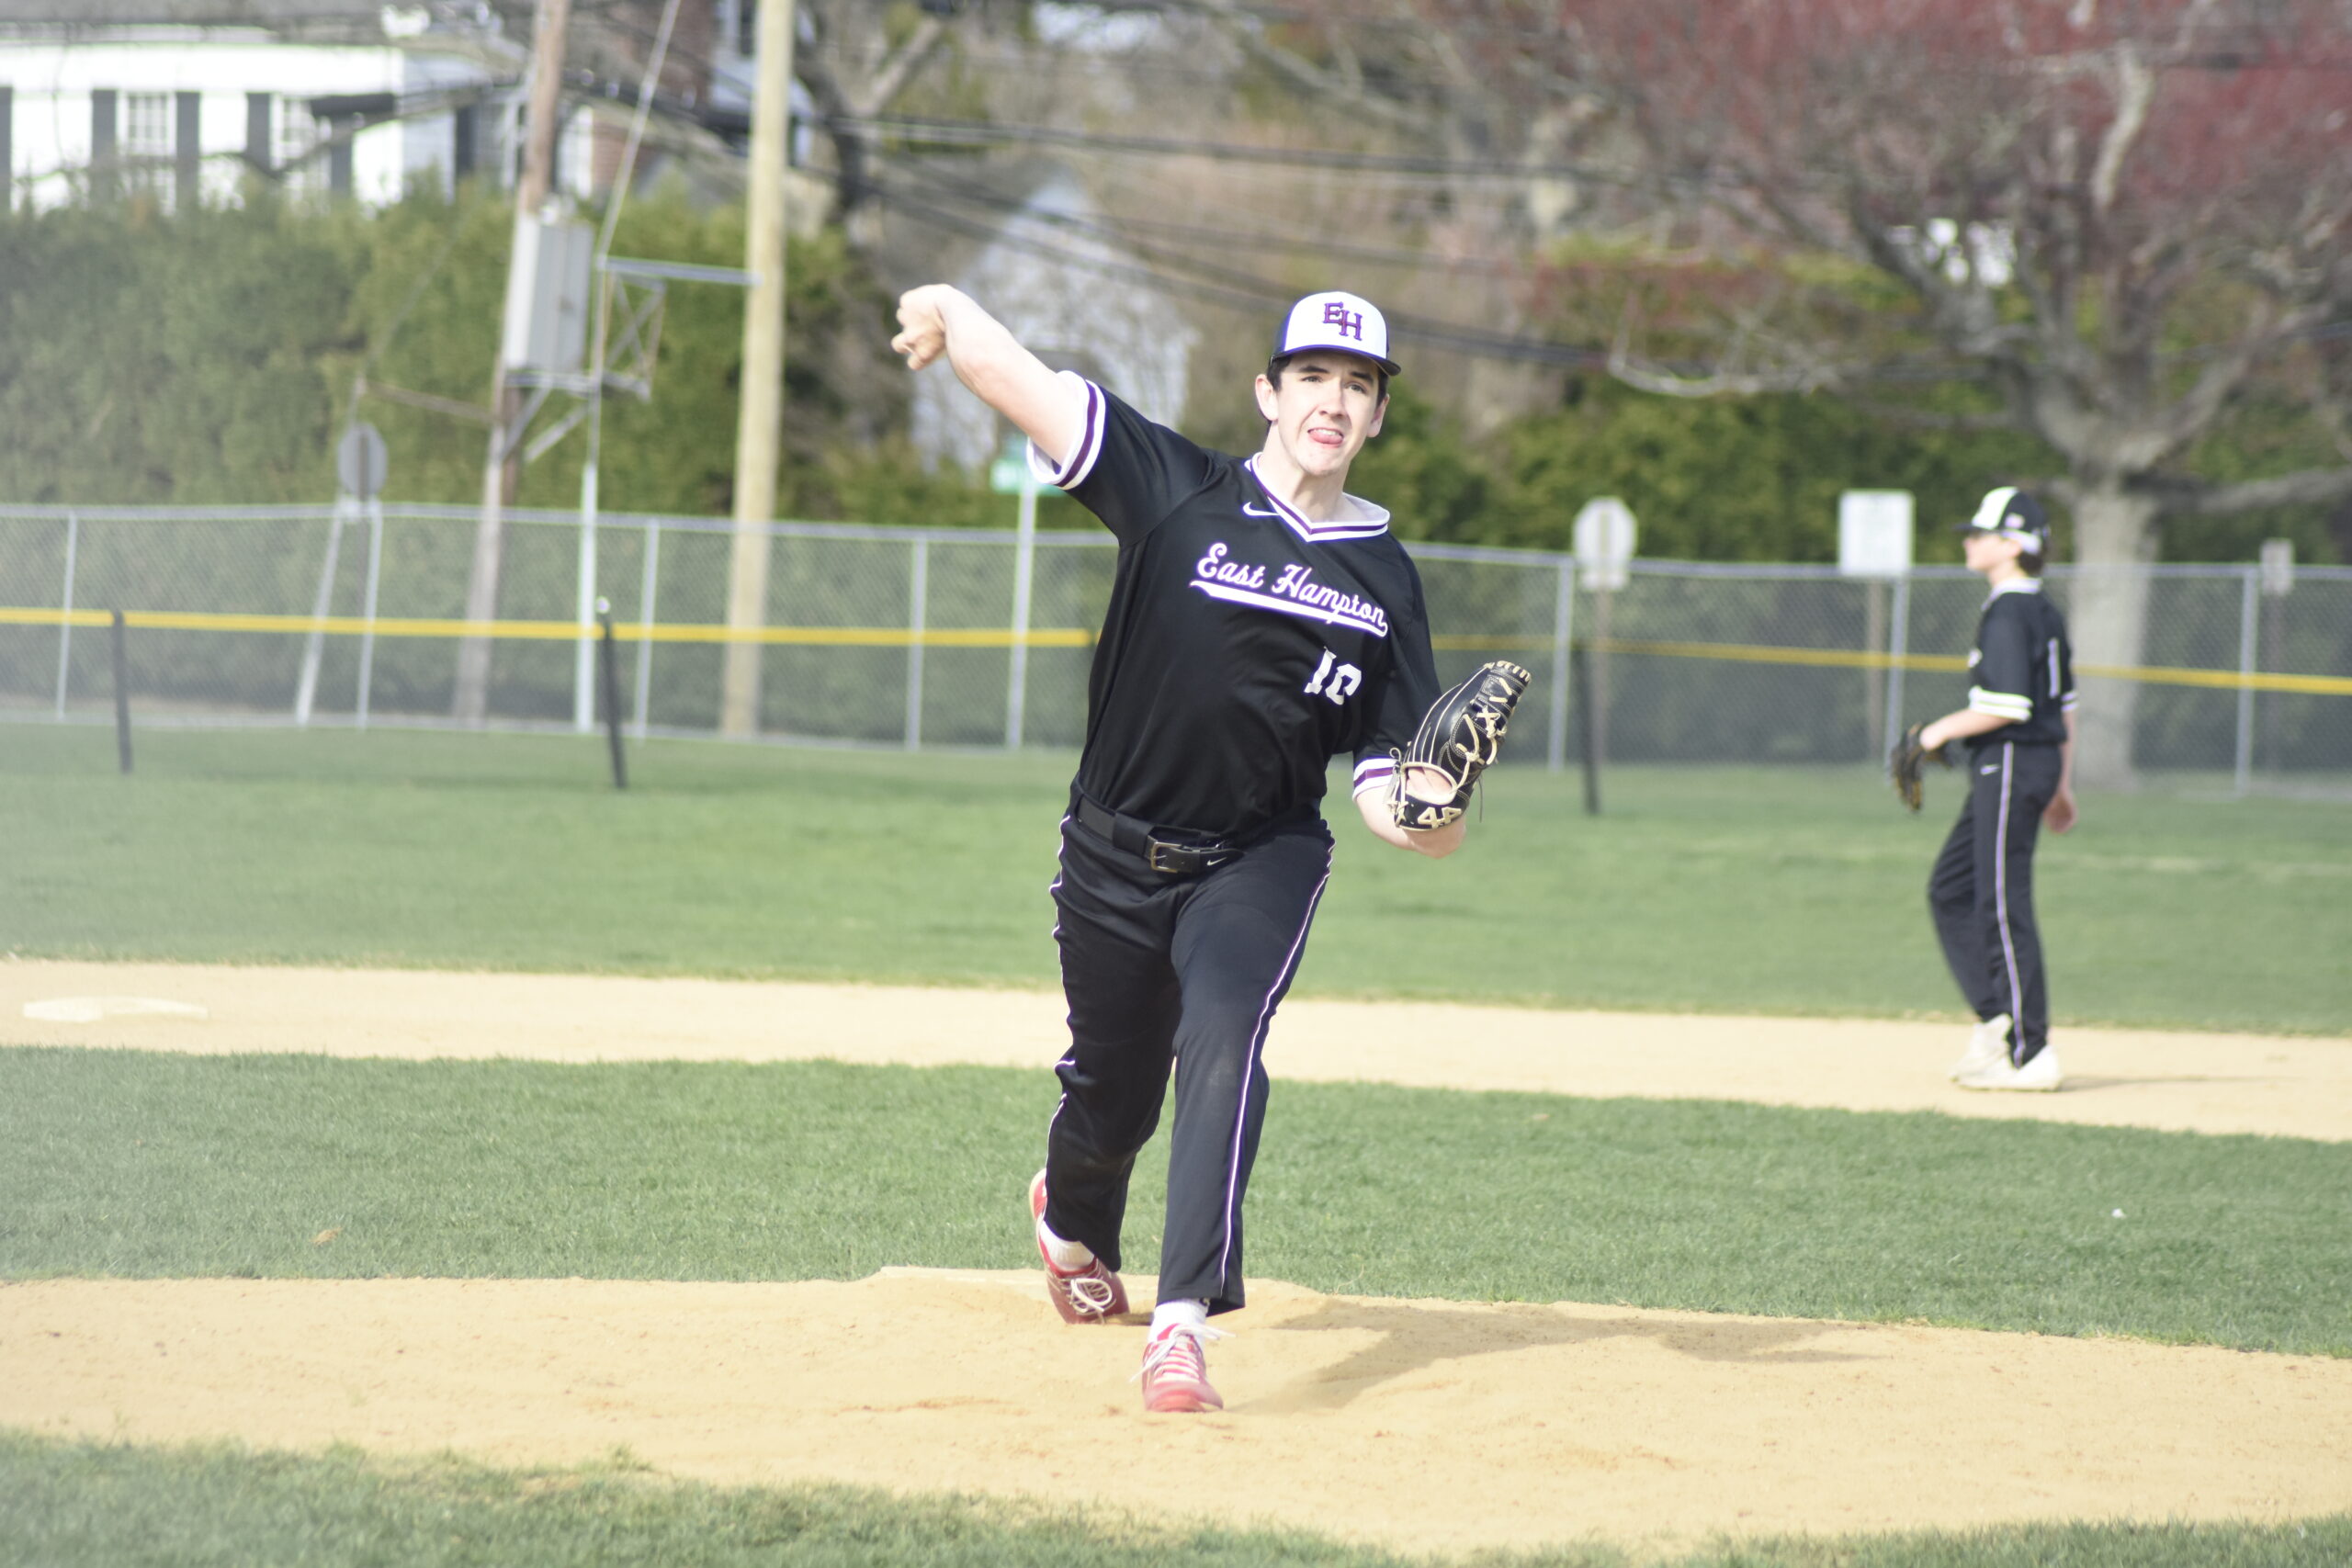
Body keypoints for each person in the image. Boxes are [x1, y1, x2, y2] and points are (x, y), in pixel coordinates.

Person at [891, 285, 1487, 1413]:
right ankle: (1069, 1225)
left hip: (1258, 858)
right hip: (1114, 851)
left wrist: (1435, 804)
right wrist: (946, 305)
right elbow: (1023, 383)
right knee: (1112, 1099)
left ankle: (1178, 1327)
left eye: (1359, 386)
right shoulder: (1177, 490)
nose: (1335, 399)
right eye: (1312, 376)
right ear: (1268, 393)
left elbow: (1390, 803)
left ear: (1376, 420)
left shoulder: (1384, 579)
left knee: (1224, 1044)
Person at [1917, 486, 2078, 1091]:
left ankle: (2030, 1050)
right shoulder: (2043, 610)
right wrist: (2062, 785)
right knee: (1952, 888)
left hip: (2010, 761)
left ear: (2012, 544)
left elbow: (2009, 705)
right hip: (2022, 764)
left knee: (2002, 902)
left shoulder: (2010, 609)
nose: (1968, 540)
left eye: (1980, 533)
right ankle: (1996, 1021)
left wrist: (1934, 732)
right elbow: (2064, 708)